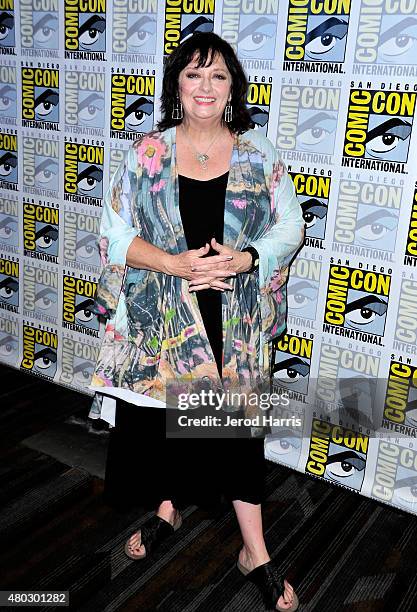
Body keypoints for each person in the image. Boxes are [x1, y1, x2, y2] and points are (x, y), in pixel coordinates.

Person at [89, 32, 304, 611]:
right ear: (176, 87)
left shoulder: (259, 156)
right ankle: (166, 506)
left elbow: (290, 227)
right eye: (192, 74)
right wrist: (172, 264)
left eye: (217, 76)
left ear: (232, 89)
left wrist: (246, 259)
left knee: (234, 436)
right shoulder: (146, 154)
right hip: (162, 316)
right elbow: (113, 232)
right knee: (163, 425)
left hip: (233, 317)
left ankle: (253, 551)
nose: (204, 86)